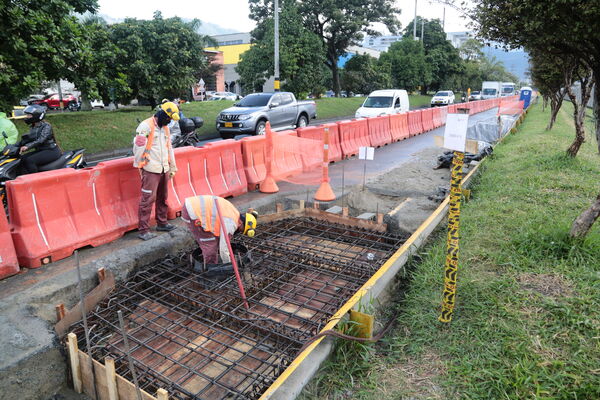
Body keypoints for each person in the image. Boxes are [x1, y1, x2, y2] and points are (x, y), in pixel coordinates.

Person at [133, 101, 180, 240]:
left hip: (163, 168)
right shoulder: (145, 126)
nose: (169, 121)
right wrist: (140, 166)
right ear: (162, 114)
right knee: (147, 200)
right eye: (168, 118)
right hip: (150, 169)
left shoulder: (165, 128)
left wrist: (172, 166)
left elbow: (168, 147)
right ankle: (143, 230)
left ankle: (162, 222)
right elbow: (138, 148)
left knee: (162, 197)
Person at [181, 195, 258, 265]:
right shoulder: (231, 223)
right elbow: (224, 248)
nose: (240, 232)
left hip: (193, 206)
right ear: (242, 224)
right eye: (242, 231)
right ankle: (210, 269)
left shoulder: (235, 214)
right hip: (193, 213)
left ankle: (203, 247)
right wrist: (228, 265)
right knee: (210, 244)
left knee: (215, 239)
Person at [17, 105, 61, 174]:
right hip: (41, 150)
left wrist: (27, 146)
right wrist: (14, 146)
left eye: (29, 115)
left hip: (51, 151)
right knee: (22, 158)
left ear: (36, 116)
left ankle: (35, 180)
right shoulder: (33, 126)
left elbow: (41, 139)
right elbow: (28, 139)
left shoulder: (46, 126)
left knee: (30, 160)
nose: (27, 117)